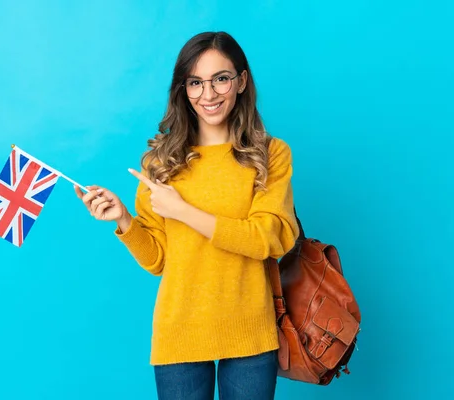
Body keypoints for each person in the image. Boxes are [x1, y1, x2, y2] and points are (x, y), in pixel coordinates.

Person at [74, 31, 299, 400]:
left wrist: (183, 211)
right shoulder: (160, 162)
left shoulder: (271, 154)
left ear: (241, 81)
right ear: (183, 87)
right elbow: (160, 259)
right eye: (195, 82)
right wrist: (124, 221)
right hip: (179, 331)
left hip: (250, 331)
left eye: (220, 79)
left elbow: (267, 239)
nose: (207, 95)